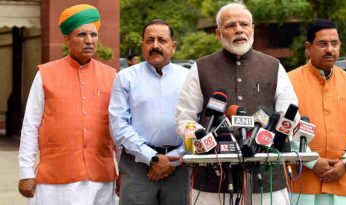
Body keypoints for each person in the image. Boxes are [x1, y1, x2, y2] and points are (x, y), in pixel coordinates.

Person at [176, 3, 298, 205]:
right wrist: (202, 139)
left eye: (244, 24)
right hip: (213, 180)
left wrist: (273, 139)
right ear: (218, 33)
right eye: (230, 25)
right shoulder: (201, 68)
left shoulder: (273, 66)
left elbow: (290, 114)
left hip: (266, 178)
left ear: (253, 28)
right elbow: (185, 119)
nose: (239, 29)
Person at [18, 4, 117, 205]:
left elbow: (119, 128)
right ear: (67, 39)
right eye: (81, 35)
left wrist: (124, 171)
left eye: (93, 34)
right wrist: (25, 172)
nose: (89, 40)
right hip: (55, 181)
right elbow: (30, 125)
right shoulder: (45, 74)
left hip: (100, 178)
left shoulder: (112, 76)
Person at [109, 19, 190, 205]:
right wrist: (152, 158)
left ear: (173, 46)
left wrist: (173, 160)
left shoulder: (188, 78)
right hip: (137, 167)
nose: (155, 46)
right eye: (149, 40)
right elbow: (119, 126)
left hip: (179, 167)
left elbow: (195, 121)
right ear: (142, 45)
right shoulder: (125, 78)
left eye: (162, 40)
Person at [288, 19, 346, 205]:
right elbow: (284, 129)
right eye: (323, 44)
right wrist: (312, 161)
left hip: (343, 185)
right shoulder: (289, 82)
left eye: (335, 43)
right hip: (302, 187)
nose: (330, 49)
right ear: (309, 47)